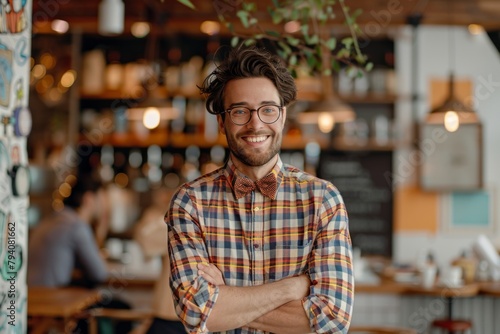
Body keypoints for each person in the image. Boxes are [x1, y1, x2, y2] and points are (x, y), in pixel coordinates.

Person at [165, 46, 354, 334]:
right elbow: (196, 313)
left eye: (267, 110)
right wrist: (294, 287)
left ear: (282, 116)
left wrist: (225, 296)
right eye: (240, 111)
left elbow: (332, 320)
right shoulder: (190, 203)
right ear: (222, 121)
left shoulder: (323, 200)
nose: (256, 124)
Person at [28, 175, 109, 288]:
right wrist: (102, 226)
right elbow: (100, 274)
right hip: (51, 298)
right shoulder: (76, 226)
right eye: (102, 199)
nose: (105, 205)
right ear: (88, 199)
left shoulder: (49, 220)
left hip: (31, 294)